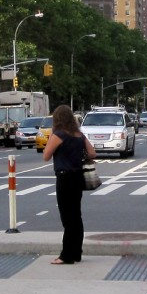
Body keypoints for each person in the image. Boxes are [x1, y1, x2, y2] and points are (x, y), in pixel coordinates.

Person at [41, 104, 96, 264]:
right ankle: (77, 252)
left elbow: (46, 156)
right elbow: (92, 153)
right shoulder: (79, 135)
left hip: (64, 178)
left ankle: (66, 255)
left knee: (67, 218)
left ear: (57, 119)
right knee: (76, 217)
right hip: (78, 177)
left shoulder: (58, 135)